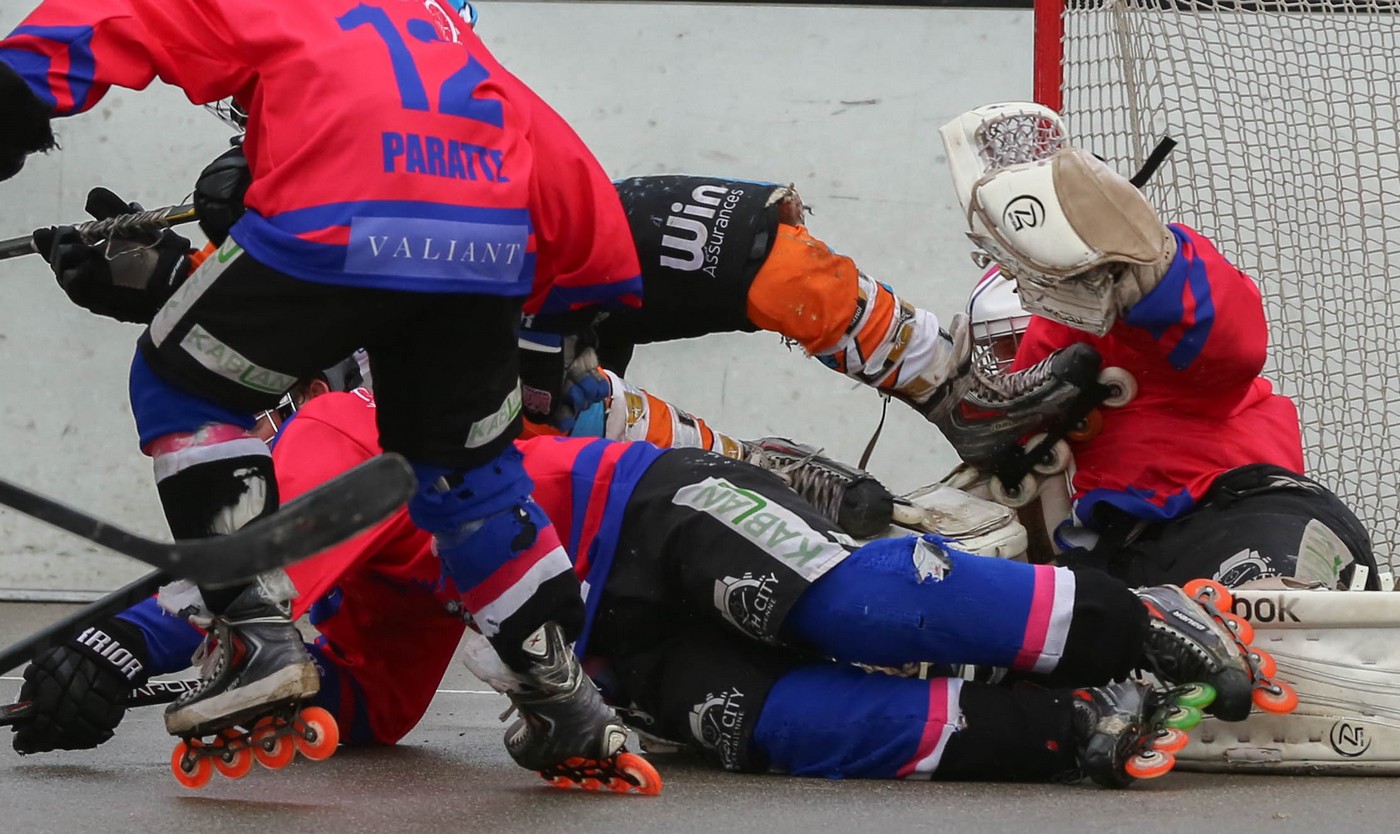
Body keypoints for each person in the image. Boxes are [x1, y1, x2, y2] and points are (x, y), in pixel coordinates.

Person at [9, 371, 1279, 790]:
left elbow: (258, 560)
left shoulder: (333, 426)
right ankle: (1064, 728)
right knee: (778, 728)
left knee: (844, 604)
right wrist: (274, 700)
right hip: (603, 642)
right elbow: (378, 701)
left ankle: (1137, 620)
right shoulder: (342, 573)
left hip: (645, 514)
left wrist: (118, 646)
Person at [0, 0, 645, 783]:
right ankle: (562, 699)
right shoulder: (452, 39)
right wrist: (578, 293)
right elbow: (566, 174)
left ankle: (253, 631)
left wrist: (16, 90)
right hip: (484, 249)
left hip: (345, 206)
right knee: (469, 477)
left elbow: (132, 10)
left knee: (181, 382)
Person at [937, 101, 1378, 592]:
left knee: (1269, 620)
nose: (1015, 362)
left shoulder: (1147, 332)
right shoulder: (1029, 451)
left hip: (1242, 516)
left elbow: (1228, 337)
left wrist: (1132, 267)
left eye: (1020, 337)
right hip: (1130, 554)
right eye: (1001, 345)